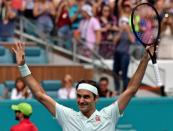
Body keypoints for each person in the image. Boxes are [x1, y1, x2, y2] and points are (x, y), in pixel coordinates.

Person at [12, 42, 154, 131]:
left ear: (96, 99)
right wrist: (22, 66)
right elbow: (40, 95)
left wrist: (145, 59)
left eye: (86, 97)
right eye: (79, 96)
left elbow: (131, 90)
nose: (81, 100)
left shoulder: (109, 115)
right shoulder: (67, 116)